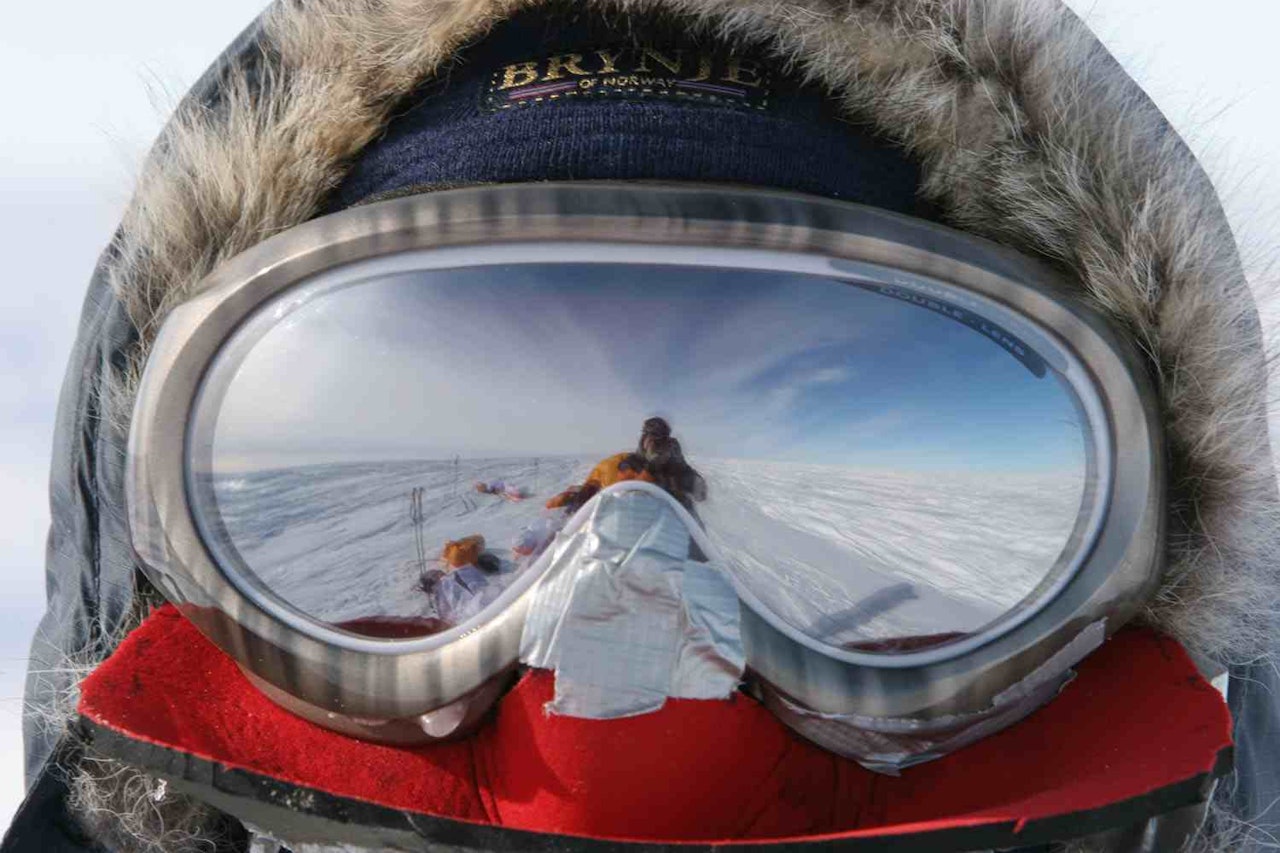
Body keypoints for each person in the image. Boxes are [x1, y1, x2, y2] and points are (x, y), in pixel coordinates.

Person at [8, 2, 1278, 851]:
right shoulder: (630, 472)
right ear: (148, 551)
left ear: (1161, 568)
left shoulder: (658, 474)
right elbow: (603, 506)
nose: (612, 758)